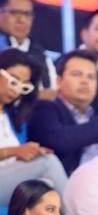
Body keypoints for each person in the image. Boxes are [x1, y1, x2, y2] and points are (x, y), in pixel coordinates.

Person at [27, 49, 98, 175]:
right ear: (59, 81)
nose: (85, 81)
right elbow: (59, 141)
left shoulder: (95, 116)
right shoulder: (44, 109)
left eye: (91, 77)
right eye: (77, 75)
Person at [0, 48, 67, 205]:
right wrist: (14, 151)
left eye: (24, 86)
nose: (16, 90)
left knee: (47, 183)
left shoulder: (13, 116)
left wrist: (29, 153)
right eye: (13, 81)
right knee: (48, 162)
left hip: (9, 179)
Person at [0, 0, 57, 98]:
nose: (21, 20)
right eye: (15, 13)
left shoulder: (41, 56)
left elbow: (52, 94)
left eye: (27, 14)